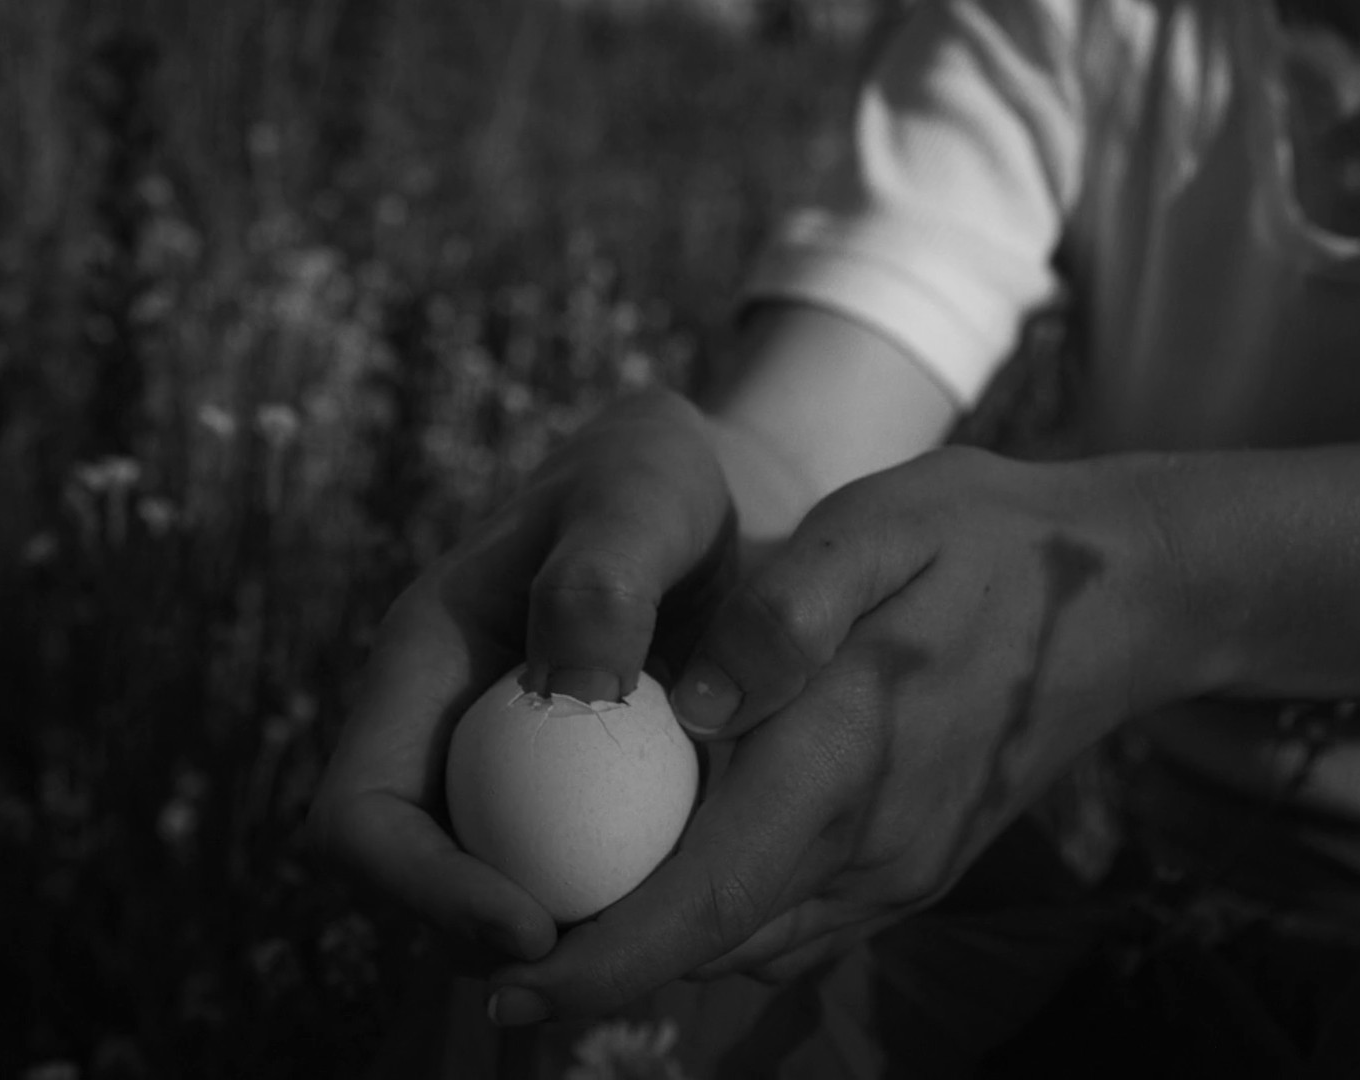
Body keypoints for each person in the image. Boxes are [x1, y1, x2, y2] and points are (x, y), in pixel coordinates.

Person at [308, 0, 1360, 1073]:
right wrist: (700, 503)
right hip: (1188, 895)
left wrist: (1155, 578)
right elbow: (808, 448)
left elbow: (1139, 576)